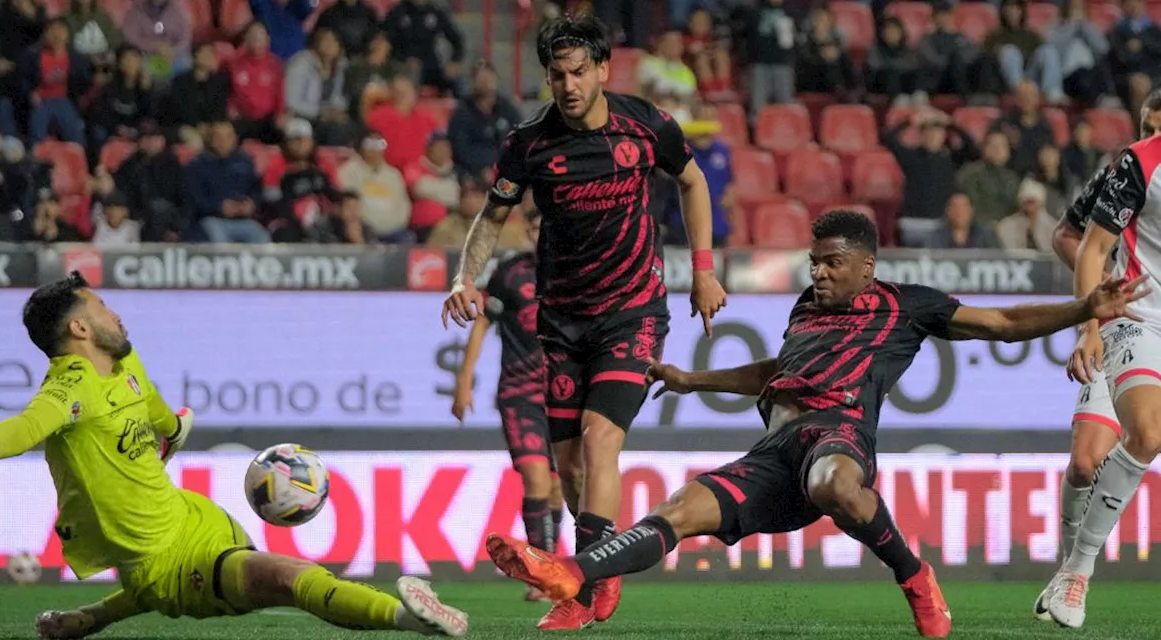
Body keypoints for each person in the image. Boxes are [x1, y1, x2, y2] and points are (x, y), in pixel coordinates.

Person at [482, 210, 1146, 639]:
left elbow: (1001, 325)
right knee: (681, 506)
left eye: (832, 262)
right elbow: (777, 370)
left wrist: (1083, 306)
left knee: (833, 482)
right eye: (814, 263)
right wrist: (693, 380)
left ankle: (914, 575)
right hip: (775, 450)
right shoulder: (806, 308)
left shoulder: (906, 307)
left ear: (866, 267)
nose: (820, 272)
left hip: (840, 435)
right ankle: (572, 573)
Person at [0, 272, 469, 640]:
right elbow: (24, 428)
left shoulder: (125, 364)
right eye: (101, 309)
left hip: (195, 518)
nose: (115, 315)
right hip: (167, 570)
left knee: (271, 577)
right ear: (78, 328)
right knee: (287, 577)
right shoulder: (69, 390)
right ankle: (406, 618)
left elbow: (163, 420)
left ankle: (93, 617)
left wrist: (175, 432)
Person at [440, 13, 727, 630]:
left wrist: (703, 269)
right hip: (561, 320)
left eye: (578, 72)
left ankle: (582, 580)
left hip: (632, 313)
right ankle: (599, 566)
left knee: (601, 439)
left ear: (602, 70)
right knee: (569, 465)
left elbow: (693, 182)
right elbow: (492, 217)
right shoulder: (528, 143)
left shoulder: (645, 124)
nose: (568, 85)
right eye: (556, 74)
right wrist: (465, 276)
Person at [1034, 91, 1161, 624]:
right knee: (1121, 445)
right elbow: (1081, 242)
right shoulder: (1137, 164)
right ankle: (1077, 569)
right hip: (1135, 317)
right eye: (1150, 123)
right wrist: (1092, 320)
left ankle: (1069, 573)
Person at [451, 209, 564, 602]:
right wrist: (464, 380)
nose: (539, 234)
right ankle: (543, 572)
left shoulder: (576, 273)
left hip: (563, 392)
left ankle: (552, 566)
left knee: (555, 487)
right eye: (534, 228)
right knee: (535, 478)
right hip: (520, 393)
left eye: (545, 226)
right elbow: (482, 320)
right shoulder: (510, 272)